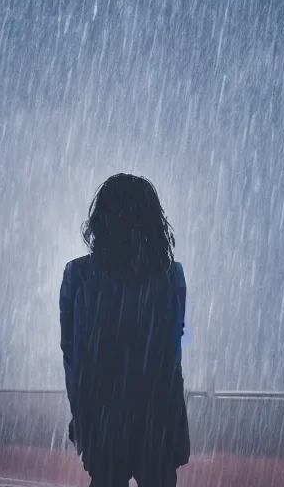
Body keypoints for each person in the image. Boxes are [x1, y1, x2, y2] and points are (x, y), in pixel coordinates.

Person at [59, 173, 190, 487]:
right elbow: (171, 358)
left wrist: (85, 419)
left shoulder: (78, 275)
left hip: (105, 423)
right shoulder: (170, 277)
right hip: (156, 424)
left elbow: (74, 358)